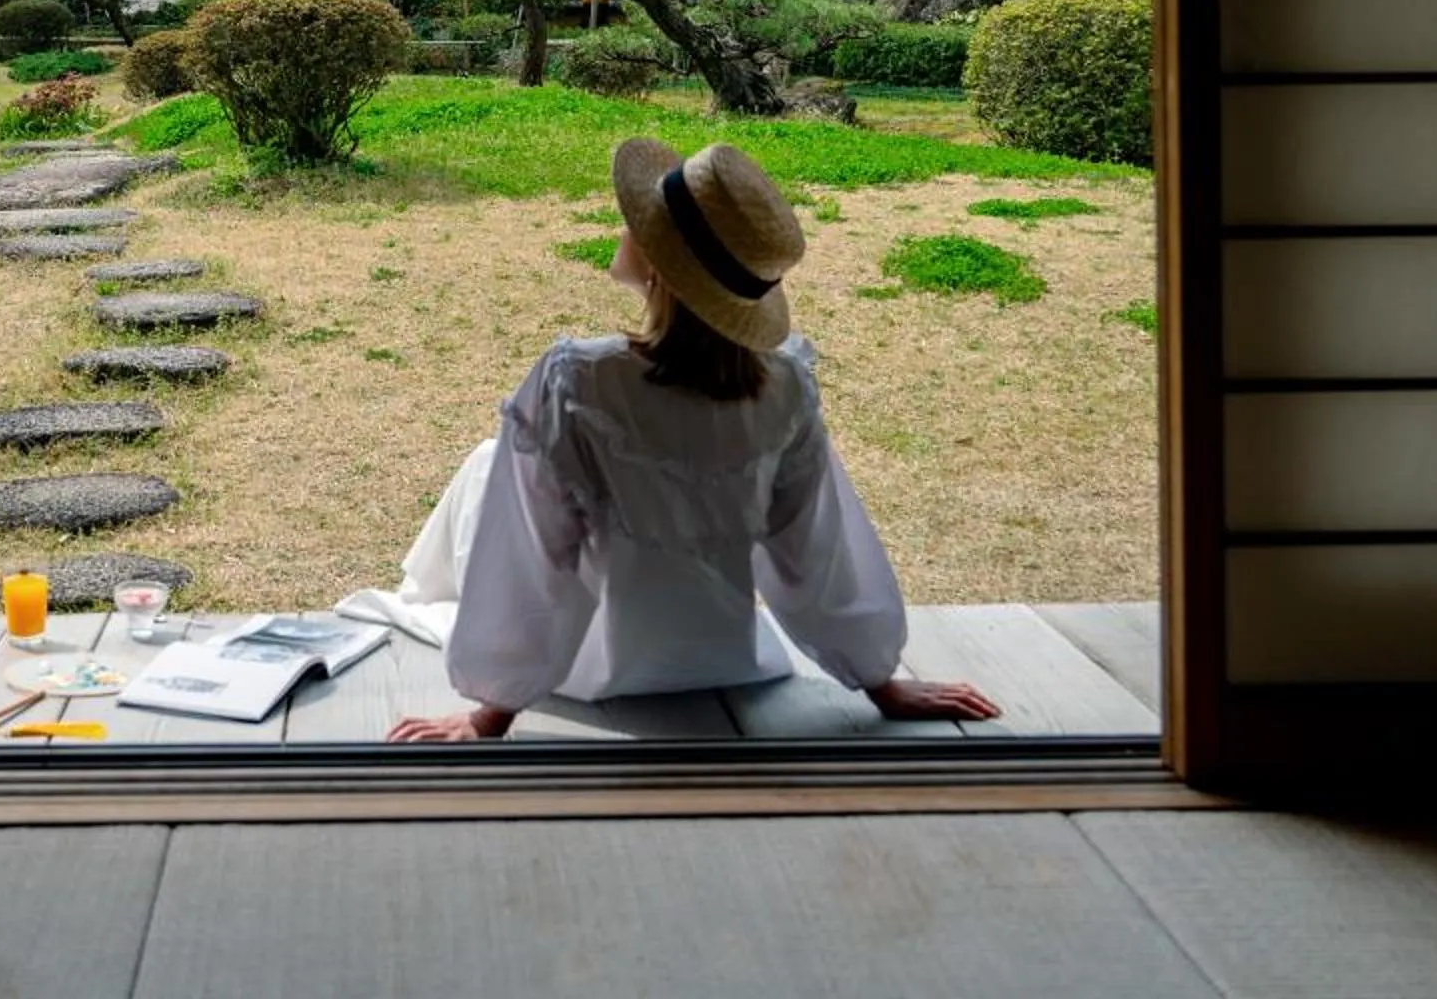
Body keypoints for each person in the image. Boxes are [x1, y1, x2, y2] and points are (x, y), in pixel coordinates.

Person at [364, 137, 1000, 741]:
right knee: (494, 463)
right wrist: (881, 682)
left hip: (596, 664)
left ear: (658, 267)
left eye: (638, 224)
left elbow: (537, 557)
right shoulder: (784, 388)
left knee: (490, 465)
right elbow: (815, 550)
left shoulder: (578, 383)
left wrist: (489, 715)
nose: (623, 228)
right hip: (724, 656)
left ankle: (429, 594)